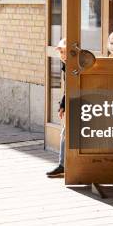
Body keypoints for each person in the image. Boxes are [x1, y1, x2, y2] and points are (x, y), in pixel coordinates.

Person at [46, 38, 67, 178]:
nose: (63, 55)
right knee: (65, 134)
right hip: (71, 102)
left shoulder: (76, 65)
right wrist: (62, 105)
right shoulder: (65, 64)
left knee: (66, 134)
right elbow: (67, 89)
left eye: (65, 52)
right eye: (61, 52)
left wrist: (63, 105)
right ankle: (64, 165)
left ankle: (64, 166)